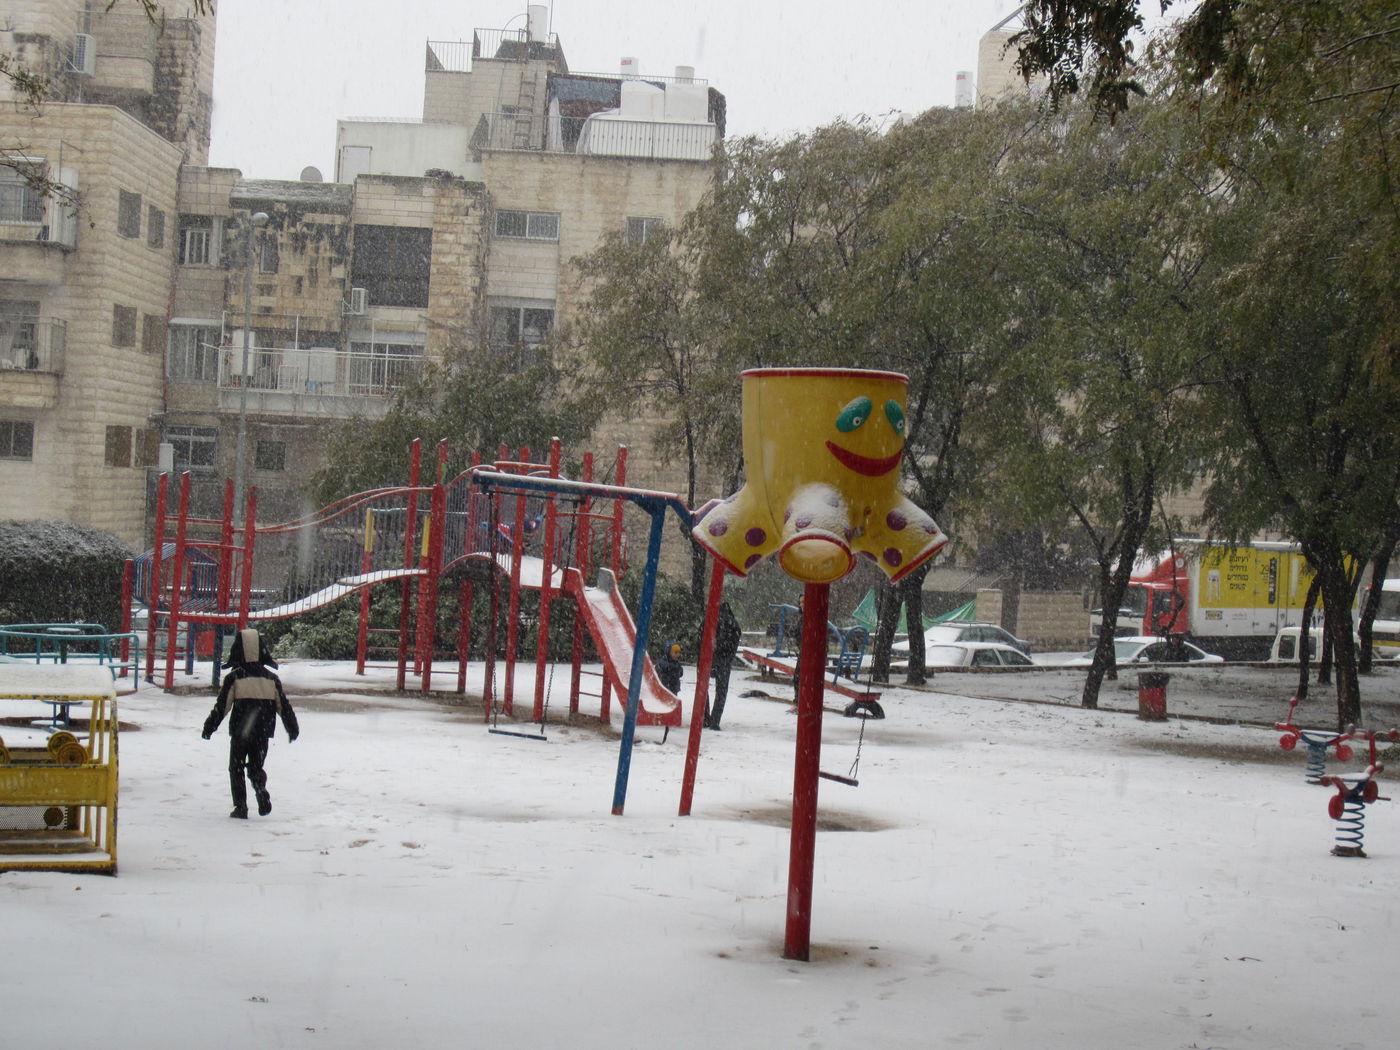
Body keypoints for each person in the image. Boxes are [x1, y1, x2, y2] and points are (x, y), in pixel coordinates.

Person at [202, 628, 299, 819]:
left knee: (236, 768)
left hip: (240, 731)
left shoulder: (235, 678)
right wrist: (292, 727)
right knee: (255, 767)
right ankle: (260, 788)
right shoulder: (271, 679)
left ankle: (241, 807)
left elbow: (222, 707)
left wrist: (209, 727)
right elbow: (283, 707)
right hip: (263, 730)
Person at [706, 602, 742, 731]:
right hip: (725, 661)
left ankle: (705, 718)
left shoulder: (714, 621)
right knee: (721, 692)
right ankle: (715, 721)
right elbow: (736, 637)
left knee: (703, 688)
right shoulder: (733, 624)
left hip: (712, 659)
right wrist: (729, 655)